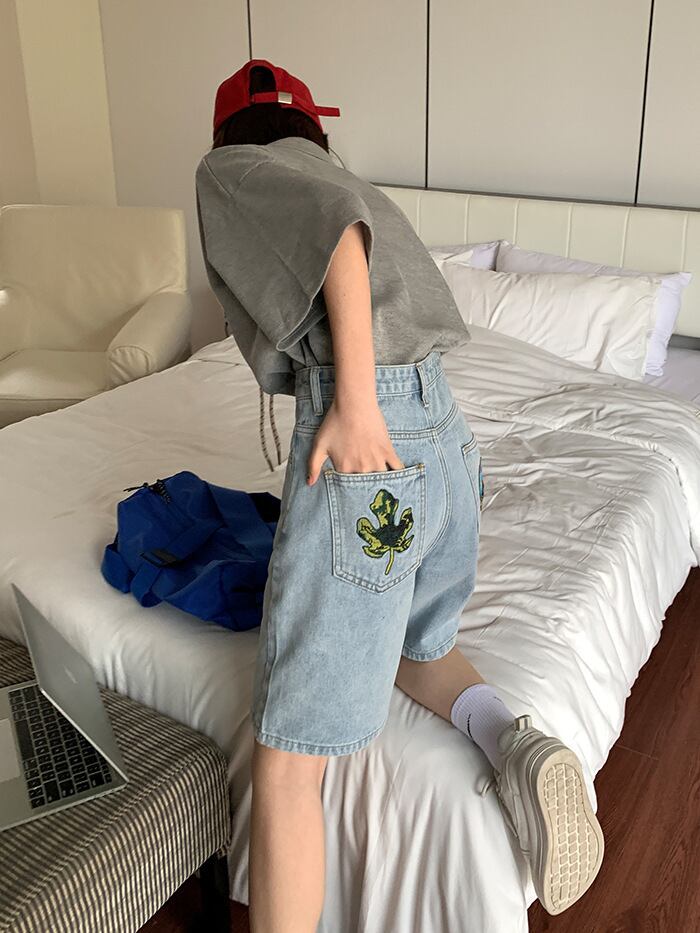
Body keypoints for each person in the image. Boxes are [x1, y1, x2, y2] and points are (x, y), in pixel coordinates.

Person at [195, 57, 605, 933]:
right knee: (419, 642)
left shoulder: (234, 171)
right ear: (312, 127)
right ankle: (514, 743)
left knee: (288, 762)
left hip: (372, 438)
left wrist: (353, 403)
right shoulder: (344, 177)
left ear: (230, 133)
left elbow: (339, 241)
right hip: (444, 441)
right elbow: (354, 238)